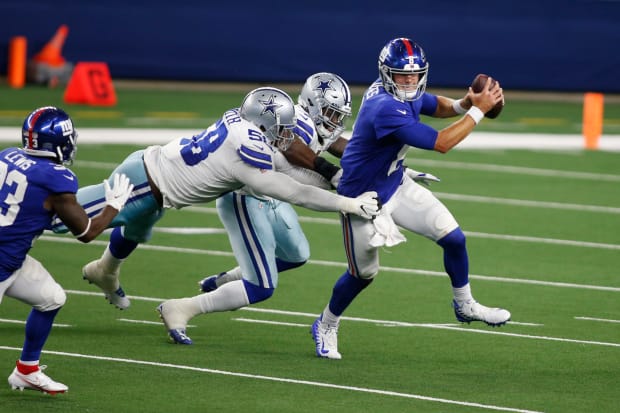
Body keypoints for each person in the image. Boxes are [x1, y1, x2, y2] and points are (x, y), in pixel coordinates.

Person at [49, 87, 379, 327]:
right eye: (281, 130)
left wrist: (340, 178)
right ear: (264, 126)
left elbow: (294, 169)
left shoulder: (242, 122)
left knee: (138, 229)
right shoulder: (247, 158)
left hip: (154, 177)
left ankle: (105, 271)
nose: (286, 137)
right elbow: (297, 192)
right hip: (142, 183)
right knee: (63, 219)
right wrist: (348, 202)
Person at [310, 37, 511, 360]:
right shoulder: (385, 107)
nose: (409, 81)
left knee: (455, 239)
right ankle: (326, 324)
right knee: (362, 276)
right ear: (386, 74)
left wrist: (463, 103)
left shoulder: (403, 90)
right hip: (362, 198)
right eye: (402, 76)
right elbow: (442, 143)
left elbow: (433, 104)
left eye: (414, 75)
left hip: (395, 183)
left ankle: (464, 304)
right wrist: (479, 111)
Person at [1, 107, 133, 394]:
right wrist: (114, 206)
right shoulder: (56, 179)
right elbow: (87, 232)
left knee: (51, 298)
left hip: (12, 259)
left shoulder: (8, 155)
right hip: (3, 261)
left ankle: (27, 370)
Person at [195, 72, 353, 295]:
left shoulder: (313, 124)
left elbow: (337, 143)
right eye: (331, 113)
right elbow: (292, 147)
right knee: (261, 286)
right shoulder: (298, 120)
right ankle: (182, 308)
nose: (336, 121)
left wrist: (373, 159)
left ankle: (226, 279)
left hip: (274, 192)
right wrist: (333, 173)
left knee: (297, 255)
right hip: (246, 194)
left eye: (339, 115)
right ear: (313, 105)